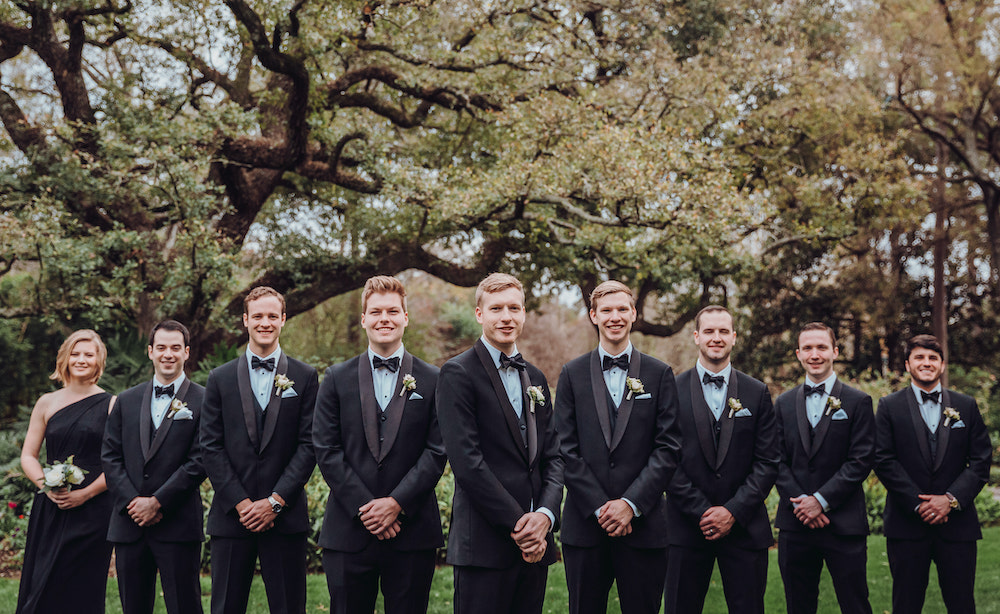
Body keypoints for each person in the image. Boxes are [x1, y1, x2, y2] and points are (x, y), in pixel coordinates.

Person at [314, 275, 446, 614]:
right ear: (363, 319)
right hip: (348, 532)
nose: (383, 319)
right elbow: (326, 450)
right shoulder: (335, 378)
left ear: (405, 317)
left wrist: (396, 503)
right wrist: (366, 506)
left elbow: (437, 450)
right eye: (375, 312)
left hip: (413, 532)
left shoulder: (433, 379)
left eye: (392, 311)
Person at [436, 272, 564, 614]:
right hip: (484, 545)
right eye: (496, 308)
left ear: (523, 314)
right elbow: (467, 462)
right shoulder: (457, 373)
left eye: (514, 308)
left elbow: (553, 457)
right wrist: (520, 525)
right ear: (480, 314)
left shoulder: (535, 377)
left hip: (535, 547)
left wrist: (545, 518)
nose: (506, 317)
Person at [554, 281, 681, 614]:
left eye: (622, 309)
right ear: (593, 315)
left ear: (634, 314)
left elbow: (667, 449)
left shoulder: (659, 374)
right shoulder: (571, 374)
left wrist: (630, 503)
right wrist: (600, 506)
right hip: (585, 528)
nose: (615, 317)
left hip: (644, 527)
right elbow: (565, 449)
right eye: (606, 310)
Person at [201, 286, 319, 614]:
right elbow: (210, 446)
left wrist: (275, 502)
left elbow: (309, 445)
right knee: (225, 607)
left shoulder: (305, 376)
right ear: (245, 320)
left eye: (271, 316)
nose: (264, 322)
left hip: (285, 516)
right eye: (257, 316)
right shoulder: (219, 378)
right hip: (231, 518)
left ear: (283, 319)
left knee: (288, 607)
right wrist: (241, 504)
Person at [663, 305, 778, 614]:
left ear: (734, 338)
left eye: (723, 331)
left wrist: (733, 511)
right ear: (696, 337)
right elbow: (665, 457)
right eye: (710, 331)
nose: (717, 338)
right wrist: (701, 510)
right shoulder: (670, 389)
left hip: (744, 528)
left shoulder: (757, 393)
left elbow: (767, 461)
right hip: (685, 528)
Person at [874, 334, 991, 613]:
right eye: (919, 357)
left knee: (962, 603)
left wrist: (949, 499)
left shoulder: (965, 405)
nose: (926, 363)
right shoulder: (889, 406)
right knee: (906, 604)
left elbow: (981, 460)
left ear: (942, 365)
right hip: (906, 525)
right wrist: (919, 503)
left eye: (932, 358)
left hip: (957, 526)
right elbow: (883, 459)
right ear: (907, 364)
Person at [102, 320, 207, 614]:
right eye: (161, 347)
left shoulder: (205, 400)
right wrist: (134, 502)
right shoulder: (126, 400)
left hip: (178, 522)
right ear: (150, 351)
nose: (168, 354)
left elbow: (201, 459)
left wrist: (158, 501)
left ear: (187, 352)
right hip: (129, 523)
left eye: (176, 348)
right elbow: (110, 456)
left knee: (185, 606)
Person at [774, 322, 875, 614]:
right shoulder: (783, 403)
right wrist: (803, 505)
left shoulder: (858, 402)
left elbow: (861, 459)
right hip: (795, 524)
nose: (814, 354)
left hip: (843, 523)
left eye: (821, 347)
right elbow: (775, 460)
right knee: (799, 605)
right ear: (798, 354)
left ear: (835, 351)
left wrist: (820, 501)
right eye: (807, 348)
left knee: (855, 604)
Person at [16, 329, 115, 614]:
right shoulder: (46, 402)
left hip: (94, 510)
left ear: (99, 361)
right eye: (75, 353)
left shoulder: (112, 404)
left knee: (82, 586)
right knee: (43, 581)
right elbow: (28, 455)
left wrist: (85, 495)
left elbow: (118, 463)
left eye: (88, 354)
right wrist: (47, 486)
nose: (81, 359)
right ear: (65, 358)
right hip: (51, 506)